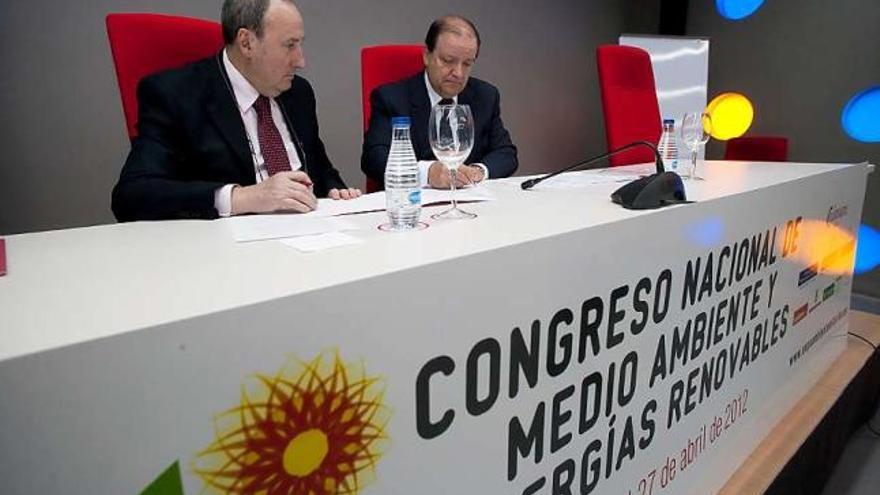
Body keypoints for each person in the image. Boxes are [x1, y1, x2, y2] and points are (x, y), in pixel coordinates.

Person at [112, 0, 361, 221]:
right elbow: (132, 195)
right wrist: (243, 197)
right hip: (229, 255)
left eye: (300, 44)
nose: (301, 61)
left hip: (311, 239)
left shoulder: (298, 93)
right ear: (246, 43)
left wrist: (334, 189)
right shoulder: (175, 95)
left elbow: (321, 169)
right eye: (289, 45)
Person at [361, 15, 518, 189]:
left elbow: (506, 153)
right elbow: (374, 158)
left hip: (469, 203)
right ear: (427, 56)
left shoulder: (485, 96)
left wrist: (476, 172)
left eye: (467, 63)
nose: (458, 72)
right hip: (413, 204)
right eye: (448, 61)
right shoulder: (392, 98)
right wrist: (428, 173)